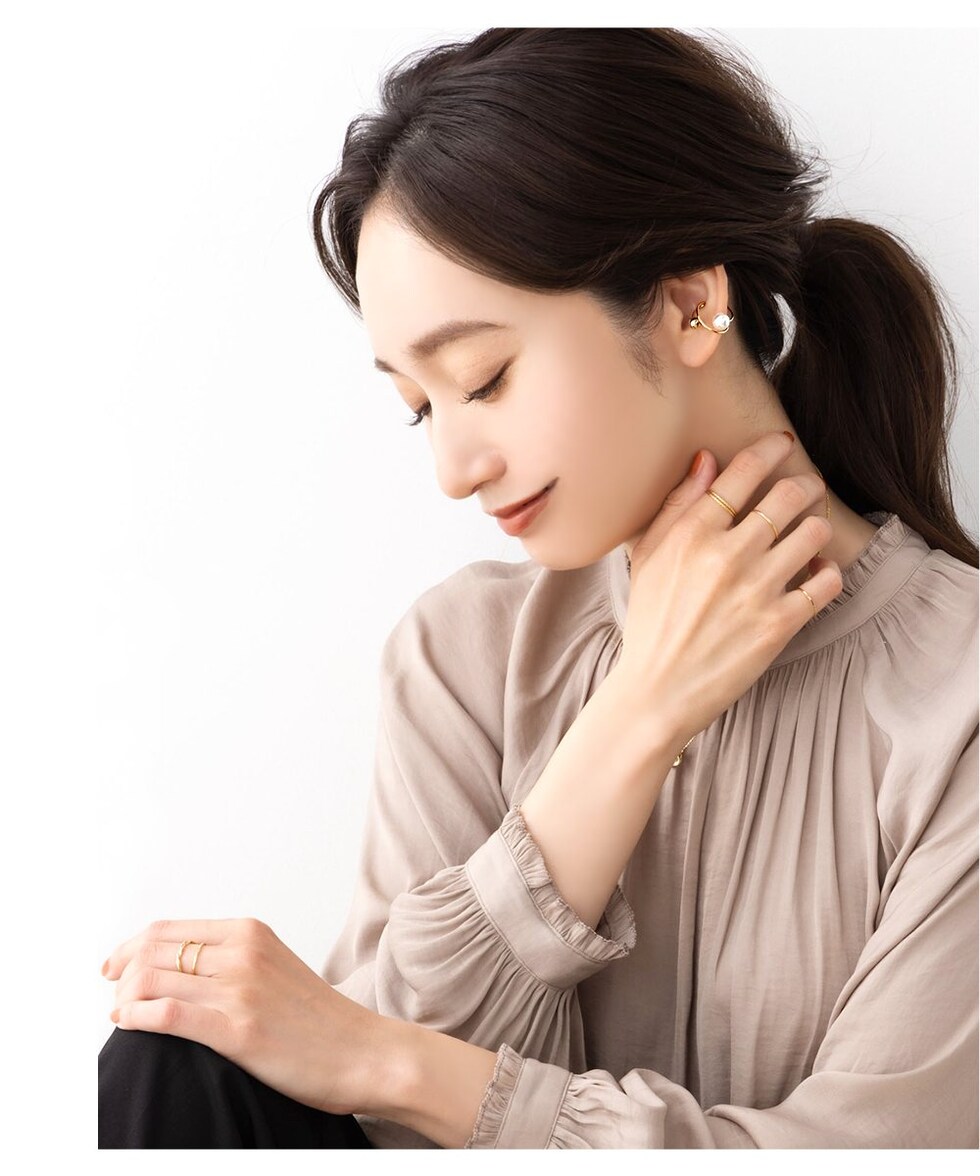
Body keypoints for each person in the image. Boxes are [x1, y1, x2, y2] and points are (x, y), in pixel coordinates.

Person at [98, 27, 979, 1148]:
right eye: (420, 408)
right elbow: (377, 1130)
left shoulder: (956, 698)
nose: (453, 468)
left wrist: (392, 1061)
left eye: (484, 379)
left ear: (688, 306)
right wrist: (637, 712)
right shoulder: (460, 654)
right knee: (172, 1056)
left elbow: (872, 1157)